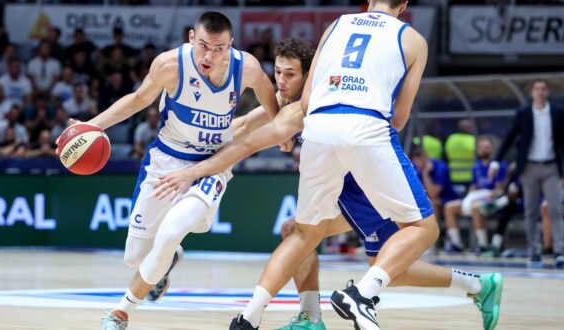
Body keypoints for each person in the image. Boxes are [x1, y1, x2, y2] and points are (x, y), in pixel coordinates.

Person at [155, 37, 502, 330]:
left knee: (313, 237)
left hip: (368, 190)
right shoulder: (288, 103)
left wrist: (193, 171)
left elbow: (251, 142)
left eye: (290, 74)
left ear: (311, 75)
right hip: (348, 191)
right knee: (307, 235)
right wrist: (196, 136)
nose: (281, 82)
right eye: (277, 72)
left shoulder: (312, 104)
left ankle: (289, 315)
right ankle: (476, 284)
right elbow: (245, 126)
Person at [54, 12, 279, 330]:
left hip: (212, 164)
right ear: (191, 38)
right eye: (203, 46)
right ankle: (168, 259)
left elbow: (269, 96)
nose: (209, 56)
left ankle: (121, 312)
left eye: (218, 49)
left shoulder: (248, 68)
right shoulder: (169, 65)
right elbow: (137, 100)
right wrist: (92, 125)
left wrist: (283, 134)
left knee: (172, 232)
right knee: (135, 257)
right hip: (166, 160)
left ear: (231, 45)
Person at [489, 79, 564, 267]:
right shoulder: (523, 113)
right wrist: (496, 160)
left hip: (551, 166)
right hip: (529, 167)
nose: (540, 91)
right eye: (537, 88)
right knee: (530, 210)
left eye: (543, 88)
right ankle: (533, 249)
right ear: (531, 92)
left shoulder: (556, 112)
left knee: (554, 208)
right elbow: (509, 137)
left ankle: (559, 250)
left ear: (547, 92)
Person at [443, 136, 508, 253]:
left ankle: (482, 245)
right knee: (449, 207)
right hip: (476, 198)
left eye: (487, 147)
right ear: (477, 150)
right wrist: (469, 196)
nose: (484, 150)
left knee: (475, 207)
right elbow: (474, 185)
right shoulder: (476, 167)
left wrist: (484, 197)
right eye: (482, 147)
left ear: (492, 149)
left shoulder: (499, 165)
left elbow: (500, 189)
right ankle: (457, 244)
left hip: (493, 201)